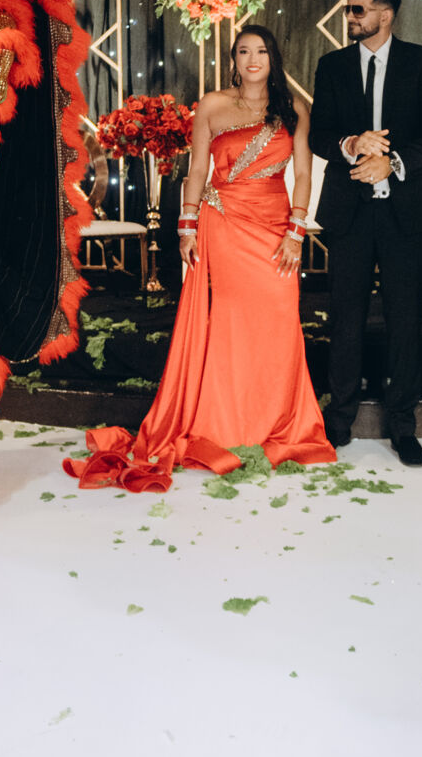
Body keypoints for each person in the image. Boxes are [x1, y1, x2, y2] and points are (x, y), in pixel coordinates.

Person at [64, 25, 335, 492]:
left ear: (274, 58)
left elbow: (306, 175)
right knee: (229, 323)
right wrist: (186, 227)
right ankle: (226, 425)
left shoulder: (293, 109)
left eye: (261, 51)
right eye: (244, 51)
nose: (253, 59)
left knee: (278, 320)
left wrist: (296, 232)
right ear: (234, 59)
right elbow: (197, 170)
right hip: (223, 222)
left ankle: (274, 419)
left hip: (275, 227)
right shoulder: (212, 104)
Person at [309, 0, 422, 465]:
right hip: (348, 213)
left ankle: (403, 426)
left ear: (385, 14)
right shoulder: (331, 65)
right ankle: (339, 422)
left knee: (405, 320)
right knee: (344, 320)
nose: (350, 17)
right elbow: (319, 135)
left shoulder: (421, 62)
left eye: (358, 9)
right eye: (349, 9)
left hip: (405, 212)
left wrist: (391, 162)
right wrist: (351, 144)